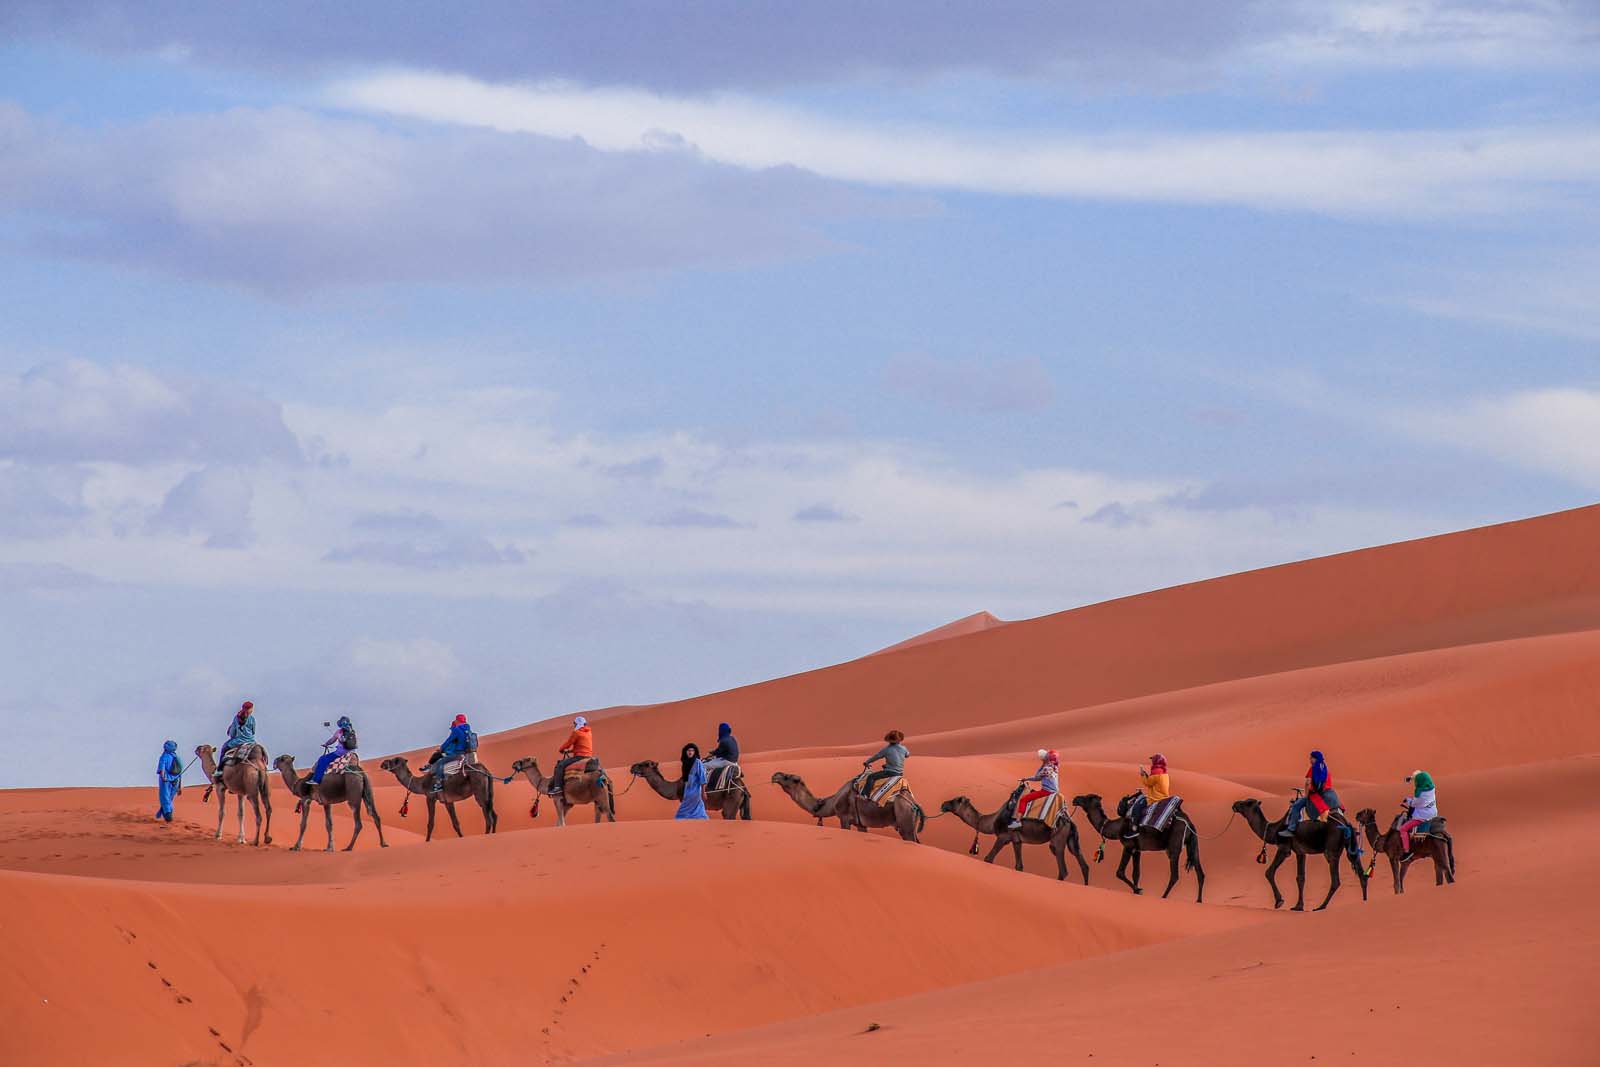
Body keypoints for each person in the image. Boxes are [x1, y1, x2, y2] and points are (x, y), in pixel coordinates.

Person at [1280, 750, 1332, 836]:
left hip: (1315, 796)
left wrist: (1306, 796)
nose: (1310, 760)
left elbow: (1308, 783)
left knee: (1296, 806)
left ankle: (1292, 828)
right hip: (1326, 795)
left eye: (1311, 758)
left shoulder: (1313, 768)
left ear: (1315, 759)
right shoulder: (1325, 769)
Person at [1010, 748, 1060, 829]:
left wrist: (1042, 764)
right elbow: (1040, 777)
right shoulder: (1055, 767)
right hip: (1055, 791)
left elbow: (1037, 777)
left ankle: (1018, 821)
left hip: (1047, 791)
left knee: (1023, 799)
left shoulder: (1046, 768)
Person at [424, 713, 475, 794]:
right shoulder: (468, 729)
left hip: (457, 754)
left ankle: (438, 784)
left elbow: (449, 740)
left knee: (440, 762)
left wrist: (441, 748)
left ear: (457, 721)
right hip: (466, 753)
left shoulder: (457, 730)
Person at [1125, 753, 1170, 838]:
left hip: (1155, 799)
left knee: (1137, 806)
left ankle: (1134, 829)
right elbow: (1152, 780)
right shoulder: (1164, 772)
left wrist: (1142, 774)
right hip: (1164, 798)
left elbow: (1148, 783)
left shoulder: (1156, 772)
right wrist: (1146, 775)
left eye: (1153, 760)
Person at [550, 715, 594, 795]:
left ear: (577, 724)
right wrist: (570, 751)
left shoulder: (576, 733)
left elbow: (569, 743)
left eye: (575, 724)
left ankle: (558, 787)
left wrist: (561, 749)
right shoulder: (589, 733)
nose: (574, 725)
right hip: (589, 755)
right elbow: (582, 746)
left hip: (580, 757)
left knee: (560, 765)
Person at [1398, 769, 1438, 855]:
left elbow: (1414, 804)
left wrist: (1407, 800)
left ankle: (1406, 851)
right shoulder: (1431, 788)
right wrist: (1411, 778)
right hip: (1433, 812)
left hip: (1423, 816)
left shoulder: (1421, 794)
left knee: (1403, 829)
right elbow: (1420, 777)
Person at [215, 701, 257, 782]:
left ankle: (219, 771)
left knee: (224, 748)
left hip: (239, 741)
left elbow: (232, 733)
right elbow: (253, 731)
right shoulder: (252, 719)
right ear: (251, 709)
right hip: (251, 742)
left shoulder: (236, 718)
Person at [310, 715, 358, 785]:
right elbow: (355, 744)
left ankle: (317, 780)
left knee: (322, 759)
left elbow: (332, 740)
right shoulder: (353, 732)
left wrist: (326, 744)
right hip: (351, 753)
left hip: (339, 753)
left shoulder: (339, 732)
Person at [860, 730, 908, 798]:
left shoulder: (886, 749)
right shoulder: (904, 748)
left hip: (889, 772)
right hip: (900, 773)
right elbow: (907, 755)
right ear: (899, 740)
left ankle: (864, 796)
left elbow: (876, 756)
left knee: (870, 777)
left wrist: (867, 762)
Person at [675, 742, 708, 820]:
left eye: (692, 750)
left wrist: (703, 792)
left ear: (695, 752)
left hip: (696, 790)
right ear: (685, 752)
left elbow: (702, 778)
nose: (690, 752)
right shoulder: (685, 763)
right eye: (688, 750)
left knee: (686, 810)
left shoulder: (697, 762)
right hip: (688, 789)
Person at [155, 740, 182, 822]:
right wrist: (179, 787)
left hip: (166, 781)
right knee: (169, 799)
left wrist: (163, 777)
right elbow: (180, 772)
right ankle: (166, 813)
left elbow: (162, 768)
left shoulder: (164, 757)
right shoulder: (176, 757)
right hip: (176, 780)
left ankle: (168, 817)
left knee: (165, 798)